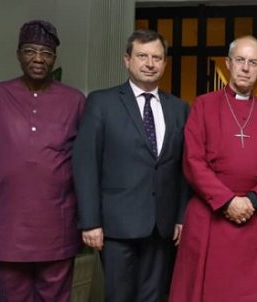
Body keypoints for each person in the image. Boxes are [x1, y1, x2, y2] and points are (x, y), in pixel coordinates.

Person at [0, 20, 84, 301]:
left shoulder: (75, 101)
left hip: (58, 223)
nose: (39, 58)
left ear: (55, 58)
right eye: (30, 51)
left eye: (46, 52)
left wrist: (88, 218)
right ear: (18, 54)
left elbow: (86, 164)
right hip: (7, 223)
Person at [169, 36, 257, 302]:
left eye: (253, 62)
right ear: (228, 63)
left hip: (255, 218)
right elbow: (193, 160)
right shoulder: (203, 105)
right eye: (240, 60)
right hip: (209, 215)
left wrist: (252, 201)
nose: (246, 67)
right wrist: (226, 201)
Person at [72, 29, 189, 301]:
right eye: (142, 56)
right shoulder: (102, 103)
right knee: (118, 296)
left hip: (162, 227)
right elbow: (86, 163)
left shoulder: (179, 109)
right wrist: (90, 222)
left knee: (155, 297)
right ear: (127, 60)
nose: (150, 63)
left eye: (157, 57)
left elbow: (184, 167)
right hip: (116, 227)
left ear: (165, 63)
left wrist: (182, 217)